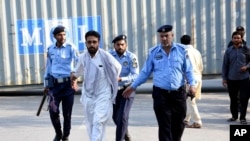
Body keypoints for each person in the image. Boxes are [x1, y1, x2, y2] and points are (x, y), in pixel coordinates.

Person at [122, 25, 196, 141]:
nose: (164, 38)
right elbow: (145, 72)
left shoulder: (182, 51)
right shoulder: (153, 52)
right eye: (161, 36)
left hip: (178, 94)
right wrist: (133, 86)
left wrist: (193, 85)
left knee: (178, 125)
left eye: (166, 36)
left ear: (172, 36)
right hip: (161, 95)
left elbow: (188, 70)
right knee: (164, 125)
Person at [70, 30, 122, 141]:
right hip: (88, 96)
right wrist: (73, 78)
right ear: (86, 43)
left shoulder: (105, 56)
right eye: (89, 42)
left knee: (98, 121)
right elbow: (77, 72)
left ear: (98, 42)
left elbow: (117, 67)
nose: (92, 44)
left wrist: (112, 78)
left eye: (94, 42)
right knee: (91, 124)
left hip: (103, 94)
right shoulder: (83, 57)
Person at [43, 25, 79, 141]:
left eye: (64, 34)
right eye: (59, 35)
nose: (62, 37)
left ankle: (66, 135)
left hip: (68, 85)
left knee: (67, 114)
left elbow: (79, 64)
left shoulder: (71, 47)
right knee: (53, 111)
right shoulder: (50, 49)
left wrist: (75, 78)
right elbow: (48, 67)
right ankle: (58, 133)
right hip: (54, 86)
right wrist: (46, 84)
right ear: (54, 36)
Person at [109, 35, 139, 141]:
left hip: (127, 89)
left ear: (126, 45)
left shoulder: (131, 57)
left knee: (122, 117)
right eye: (118, 45)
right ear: (114, 46)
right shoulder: (109, 55)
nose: (120, 47)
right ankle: (125, 133)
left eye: (122, 44)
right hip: (113, 90)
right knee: (115, 117)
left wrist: (121, 79)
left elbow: (135, 75)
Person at [222, 31, 250, 125]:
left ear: (241, 39)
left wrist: (247, 67)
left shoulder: (246, 49)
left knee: (244, 98)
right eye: (234, 38)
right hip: (232, 78)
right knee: (233, 98)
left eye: (238, 38)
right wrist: (224, 78)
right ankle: (234, 116)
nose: (236, 39)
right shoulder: (229, 51)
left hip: (244, 78)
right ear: (232, 39)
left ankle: (243, 117)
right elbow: (225, 65)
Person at [180, 35, 203, 128]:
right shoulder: (197, 52)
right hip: (198, 78)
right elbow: (201, 67)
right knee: (190, 100)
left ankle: (197, 121)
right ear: (191, 41)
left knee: (190, 101)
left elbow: (183, 68)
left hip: (190, 79)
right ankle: (186, 119)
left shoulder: (183, 52)